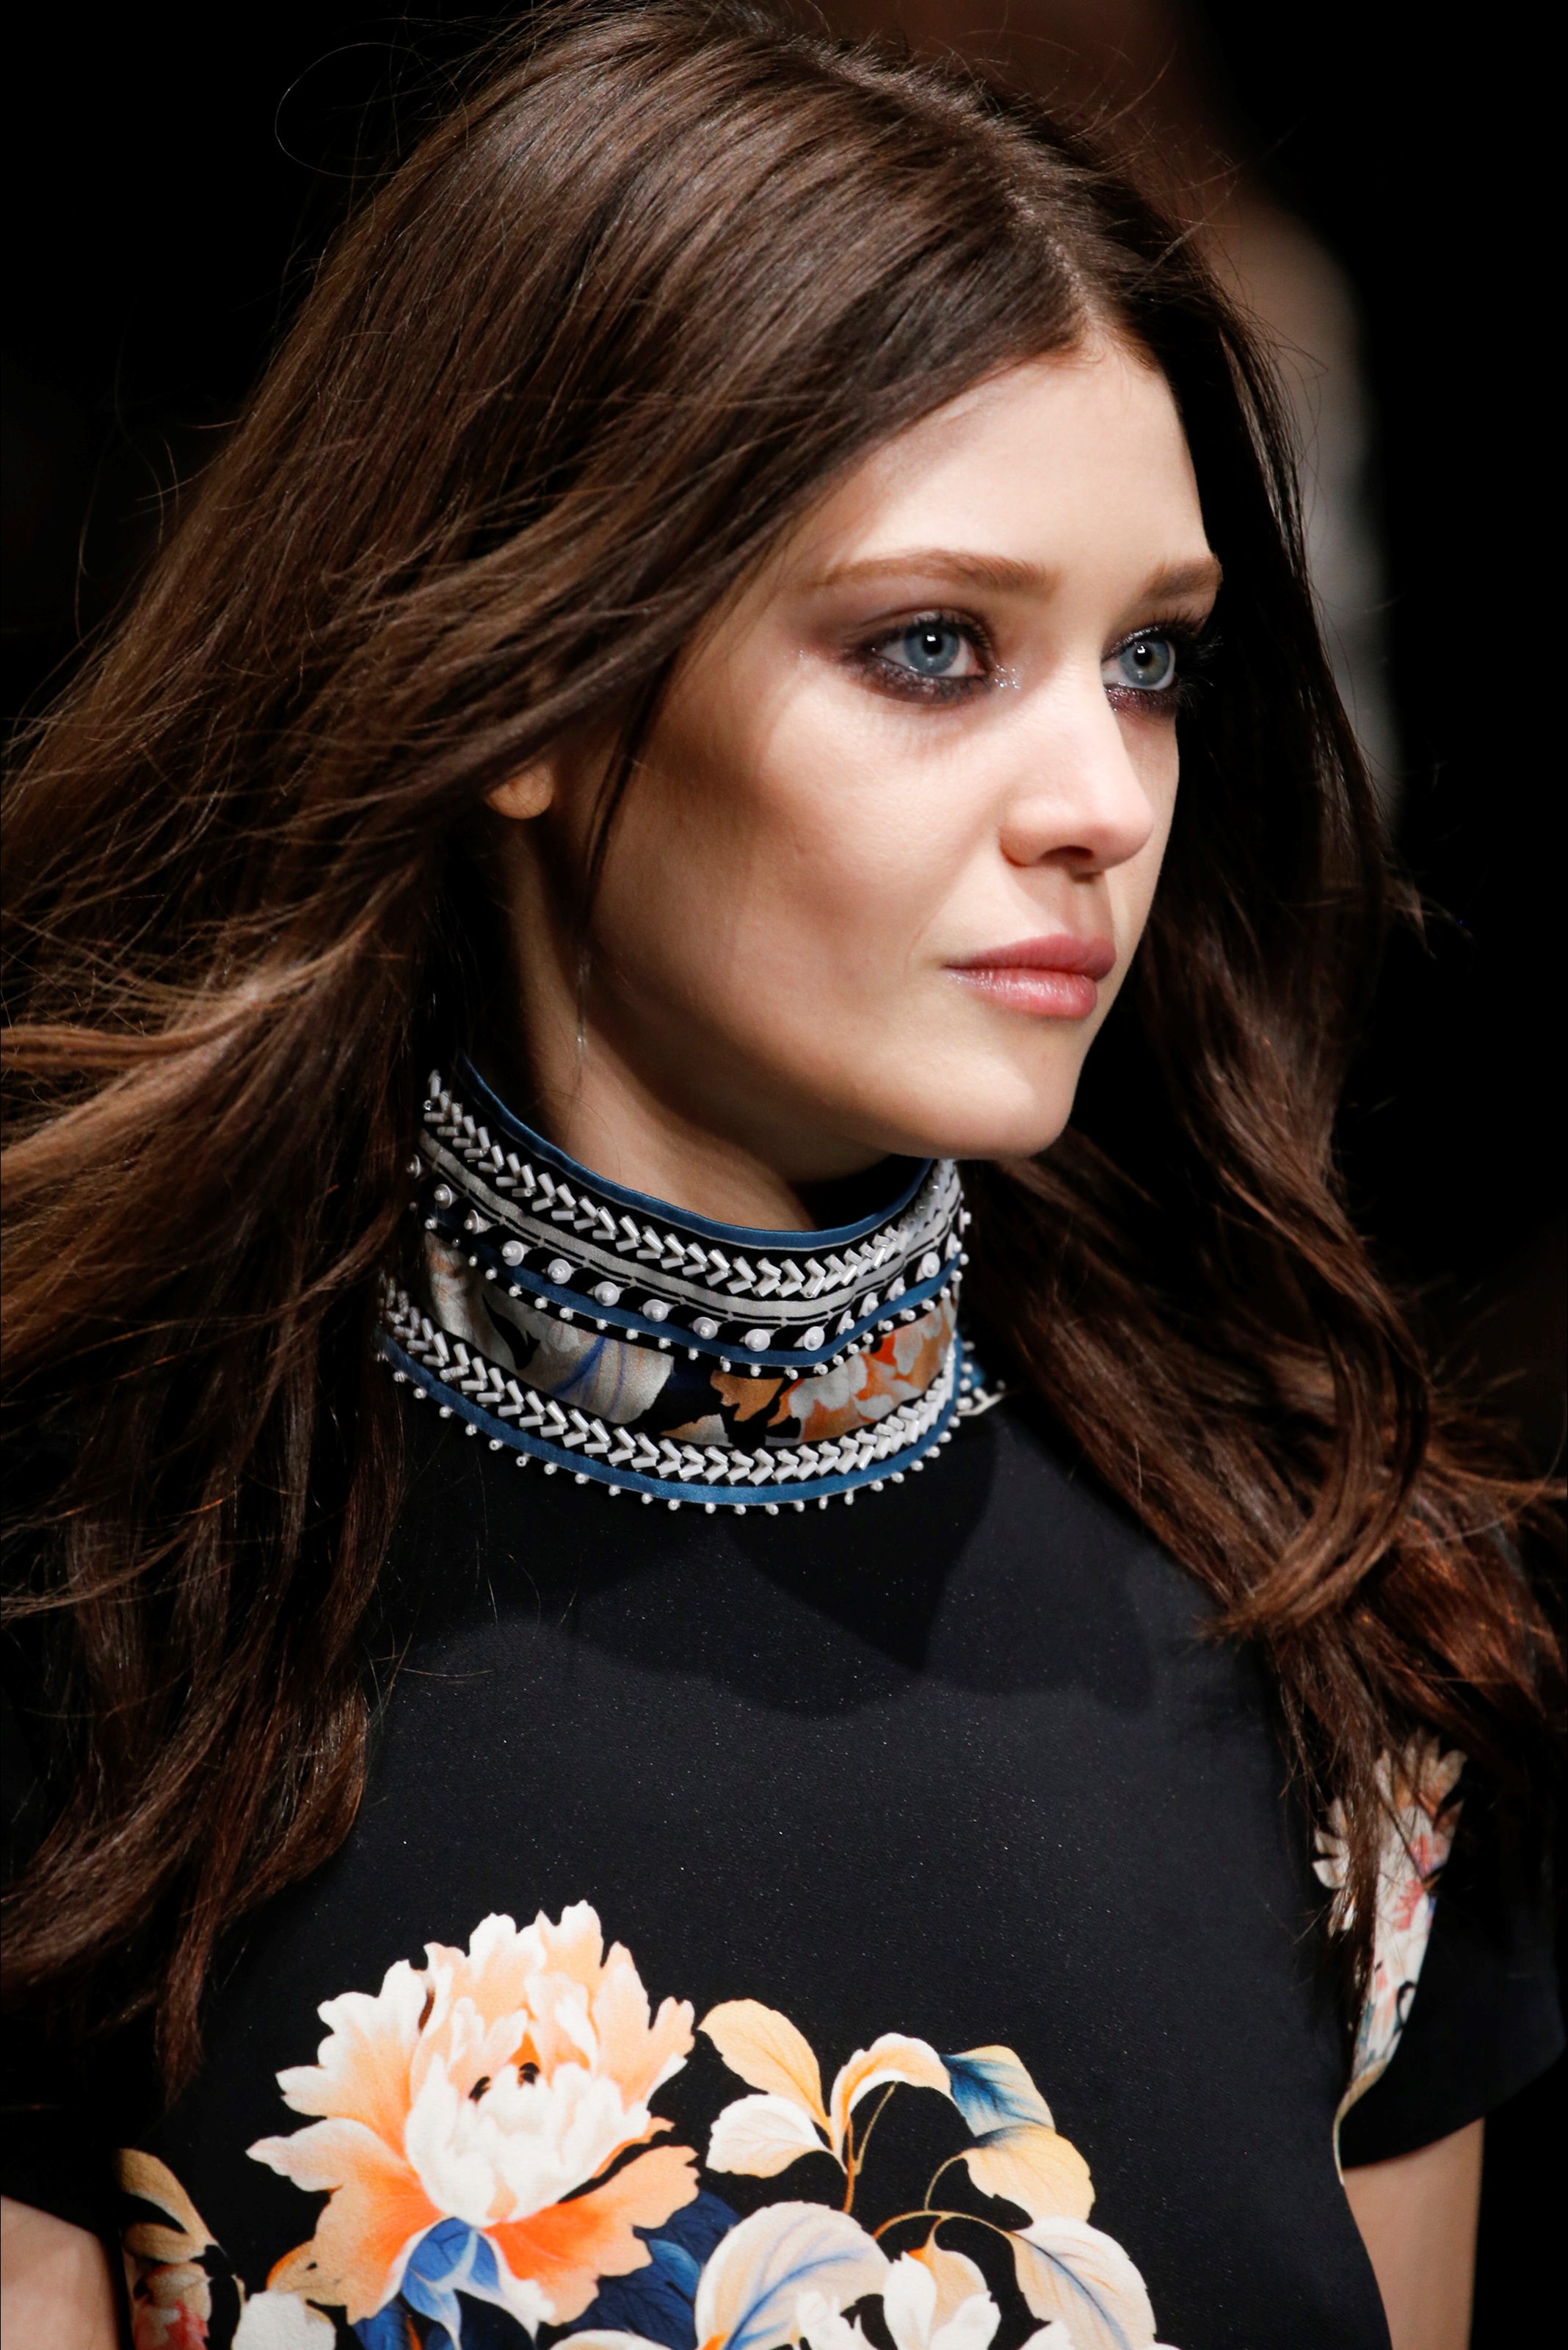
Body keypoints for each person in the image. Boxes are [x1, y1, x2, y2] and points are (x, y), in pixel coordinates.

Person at [1, 7, 1558, 2347]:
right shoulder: (97, 1607)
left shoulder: (1353, 1627)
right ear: (536, 685)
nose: (1102, 799)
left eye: (1151, 661)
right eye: (934, 647)